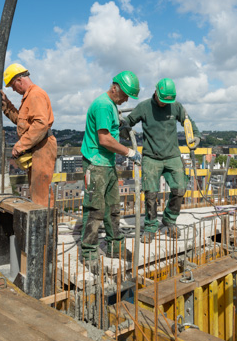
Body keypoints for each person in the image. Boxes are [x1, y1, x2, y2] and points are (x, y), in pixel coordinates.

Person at [125, 78, 200, 241]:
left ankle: (169, 220)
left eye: (168, 100)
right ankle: (151, 226)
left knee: (180, 189)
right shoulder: (144, 107)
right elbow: (128, 122)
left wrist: (196, 136)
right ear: (156, 92)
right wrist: (122, 128)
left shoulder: (176, 106)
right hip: (151, 157)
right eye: (163, 99)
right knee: (151, 194)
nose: (165, 103)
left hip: (172, 156)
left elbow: (188, 122)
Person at [81, 71, 142, 269]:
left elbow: (112, 131)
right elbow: (105, 139)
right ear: (115, 88)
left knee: (113, 208)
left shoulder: (112, 106)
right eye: (125, 95)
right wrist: (129, 152)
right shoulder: (102, 105)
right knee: (95, 209)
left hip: (106, 163)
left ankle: (115, 247)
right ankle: (89, 252)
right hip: (95, 163)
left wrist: (121, 126)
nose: (126, 100)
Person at [0, 63, 57, 207]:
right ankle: (42, 226)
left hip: (42, 146)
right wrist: (6, 105)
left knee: (41, 193)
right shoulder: (29, 96)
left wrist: (21, 144)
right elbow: (22, 121)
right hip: (38, 146)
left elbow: (40, 124)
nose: (13, 89)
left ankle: (45, 227)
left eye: (13, 85)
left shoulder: (35, 94)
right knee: (36, 190)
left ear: (19, 80)